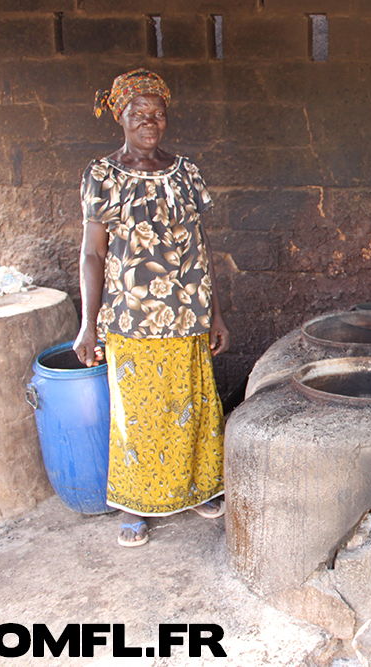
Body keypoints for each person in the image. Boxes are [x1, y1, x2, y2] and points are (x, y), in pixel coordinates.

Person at [74, 69, 230, 546]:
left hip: (188, 314)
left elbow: (201, 248)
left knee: (191, 406)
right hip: (130, 320)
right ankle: (134, 507)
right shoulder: (102, 176)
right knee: (136, 416)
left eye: (157, 113)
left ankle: (196, 489)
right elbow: (91, 254)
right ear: (119, 116)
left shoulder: (185, 172)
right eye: (138, 113)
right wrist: (88, 325)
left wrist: (216, 314)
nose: (149, 121)